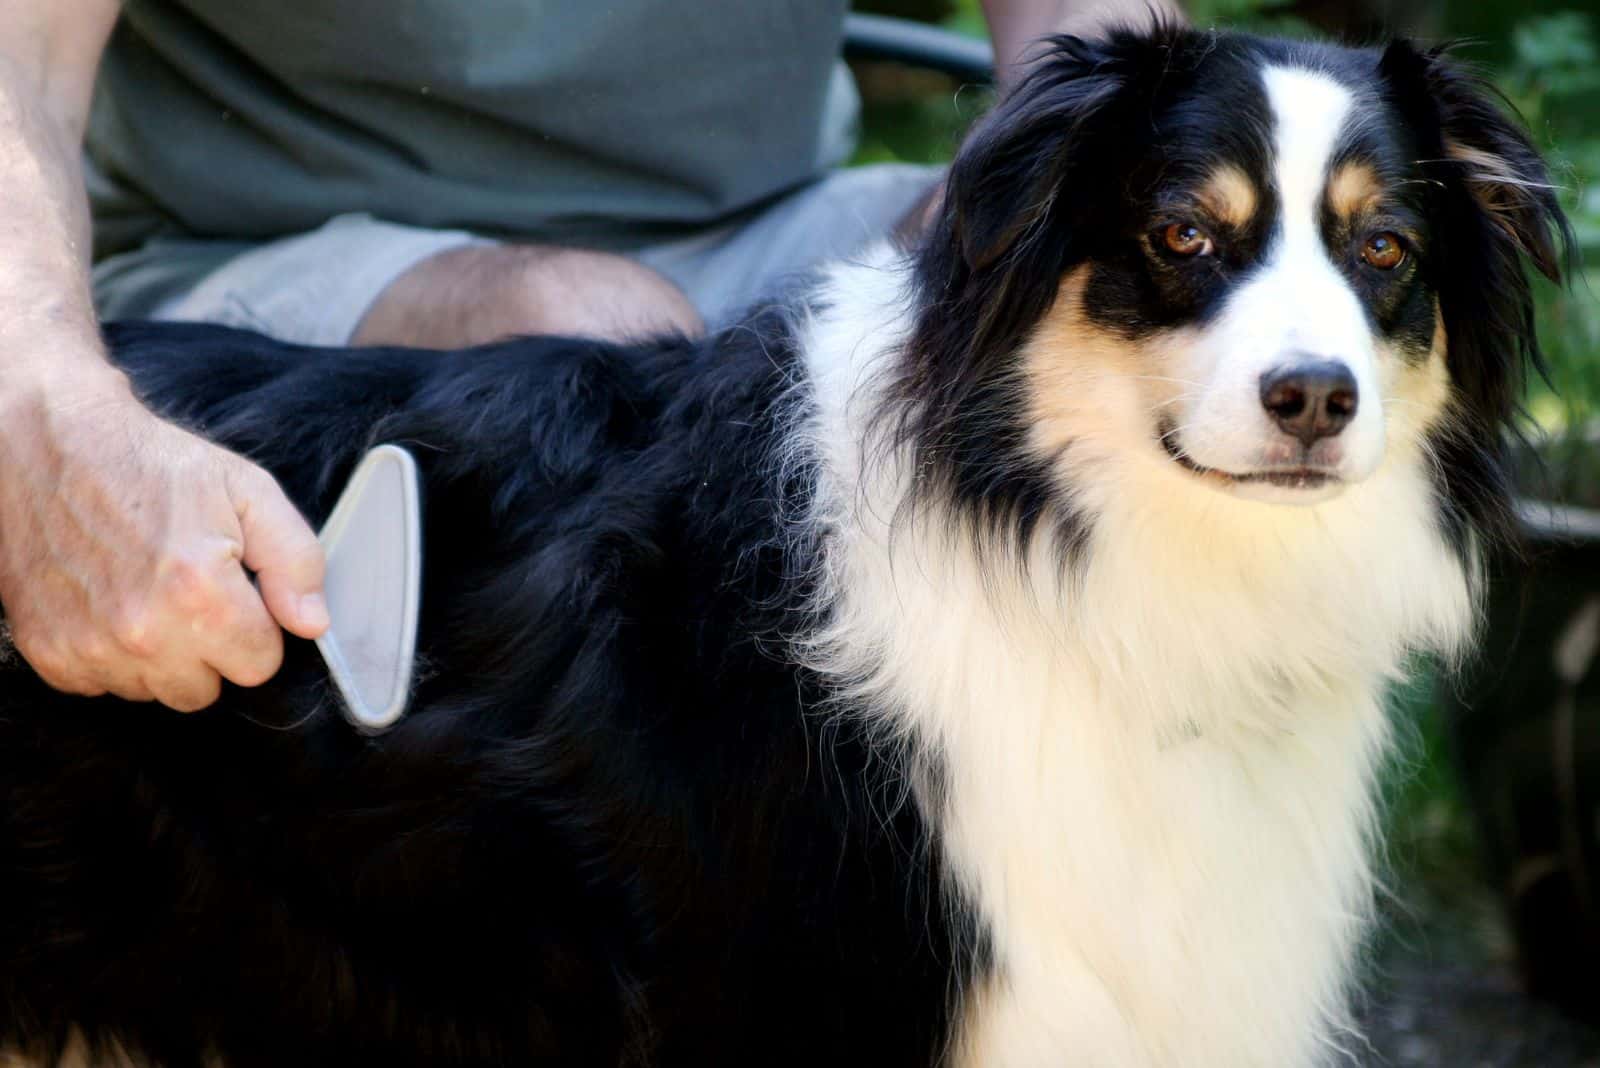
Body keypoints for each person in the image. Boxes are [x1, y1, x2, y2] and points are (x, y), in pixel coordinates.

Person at [0, 0, 1175, 714]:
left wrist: (991, 244)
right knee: (592, 335)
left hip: (774, 223)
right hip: (261, 246)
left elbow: (1099, 35)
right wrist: (41, 401)